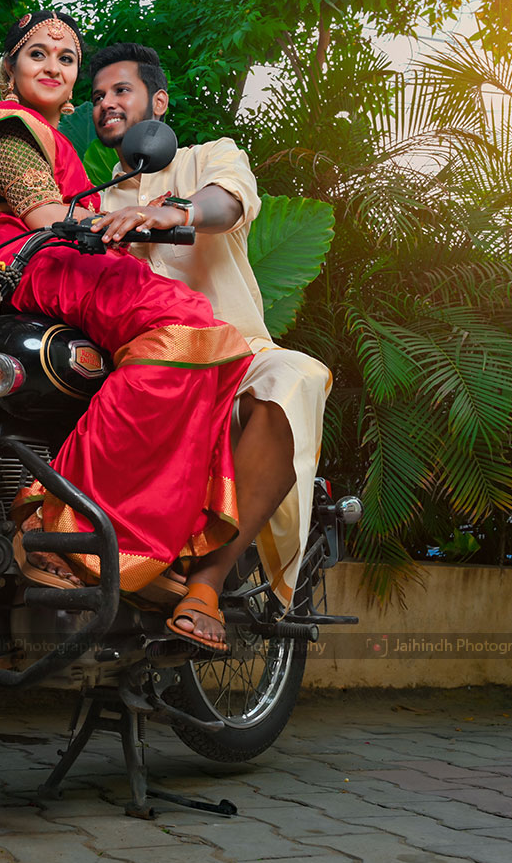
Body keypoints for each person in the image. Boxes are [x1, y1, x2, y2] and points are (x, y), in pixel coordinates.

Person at [0, 10, 252, 650]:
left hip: (39, 272)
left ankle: (151, 535)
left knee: (197, 342)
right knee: (193, 327)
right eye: (37, 54)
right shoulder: (6, 123)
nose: (53, 66)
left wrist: (153, 214)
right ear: (9, 69)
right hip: (32, 264)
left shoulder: (84, 154)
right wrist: (126, 219)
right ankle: (72, 521)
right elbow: (45, 216)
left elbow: (218, 203)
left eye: (66, 58)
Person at [87, 42, 333, 649]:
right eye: (97, 96)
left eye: (121, 90)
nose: (107, 103)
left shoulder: (209, 157)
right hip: (141, 371)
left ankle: (207, 584)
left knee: (294, 379)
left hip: (235, 355)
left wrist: (173, 213)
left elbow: (226, 203)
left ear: (158, 103)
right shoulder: (90, 202)